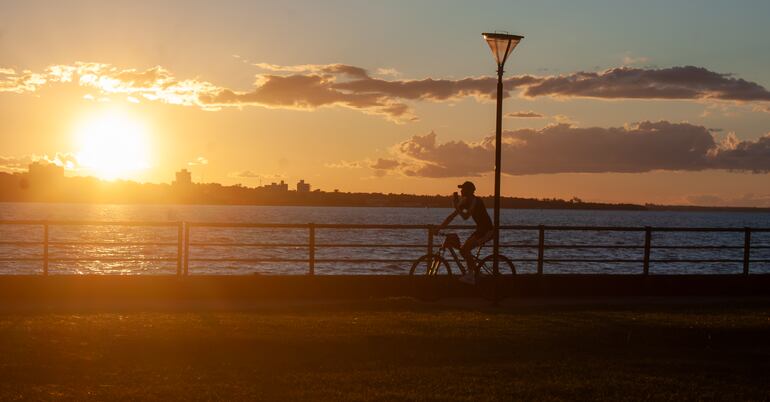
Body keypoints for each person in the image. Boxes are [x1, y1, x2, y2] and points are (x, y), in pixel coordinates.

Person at [434, 181, 494, 284]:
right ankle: (476, 273)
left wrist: (457, 207)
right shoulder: (465, 201)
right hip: (480, 230)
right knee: (463, 250)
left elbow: (466, 217)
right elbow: (451, 217)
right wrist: (439, 228)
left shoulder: (476, 201)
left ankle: (471, 276)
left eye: (463, 189)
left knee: (465, 249)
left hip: (487, 231)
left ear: (468, 191)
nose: (461, 191)